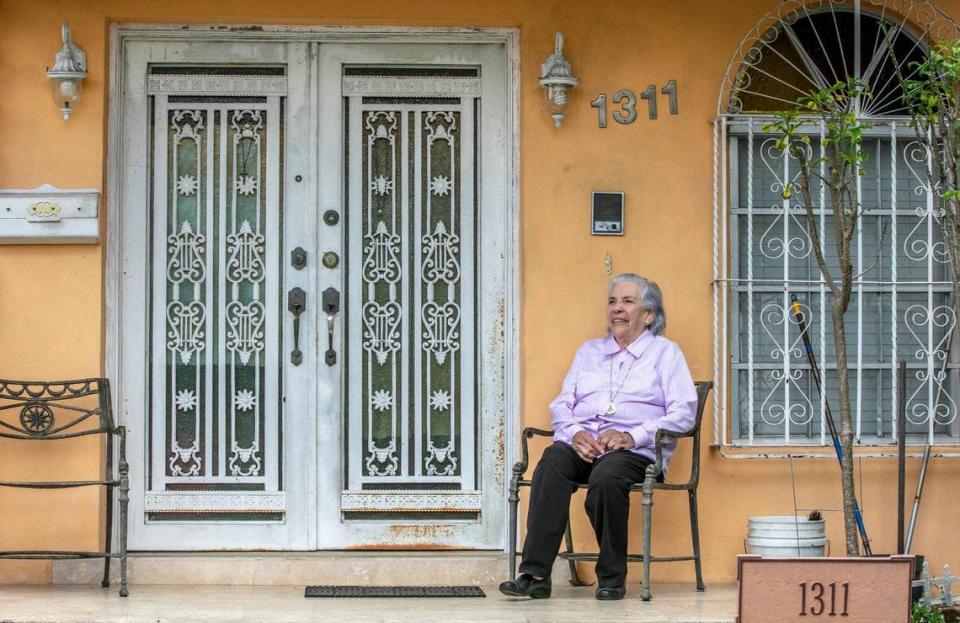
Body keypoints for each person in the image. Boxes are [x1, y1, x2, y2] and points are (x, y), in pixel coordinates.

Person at [499, 273, 697, 601]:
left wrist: (632, 436)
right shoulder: (589, 352)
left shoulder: (665, 354)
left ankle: (611, 577)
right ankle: (534, 574)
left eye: (628, 301)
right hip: (586, 444)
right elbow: (562, 404)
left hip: (636, 452)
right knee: (552, 462)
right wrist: (575, 433)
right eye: (612, 301)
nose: (617, 309)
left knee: (607, 476)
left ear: (649, 315)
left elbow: (683, 413)